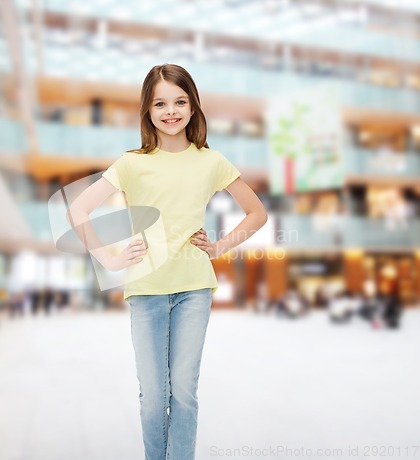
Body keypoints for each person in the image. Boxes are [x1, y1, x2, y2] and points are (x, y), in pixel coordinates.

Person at [66, 63, 268, 460]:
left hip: (194, 286)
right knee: (154, 398)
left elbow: (256, 213)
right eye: (160, 103)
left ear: (193, 106)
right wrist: (109, 255)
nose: (170, 110)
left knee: (185, 392)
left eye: (179, 101)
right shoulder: (131, 163)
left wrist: (220, 247)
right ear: (148, 109)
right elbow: (77, 210)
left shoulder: (211, 161)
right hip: (145, 289)